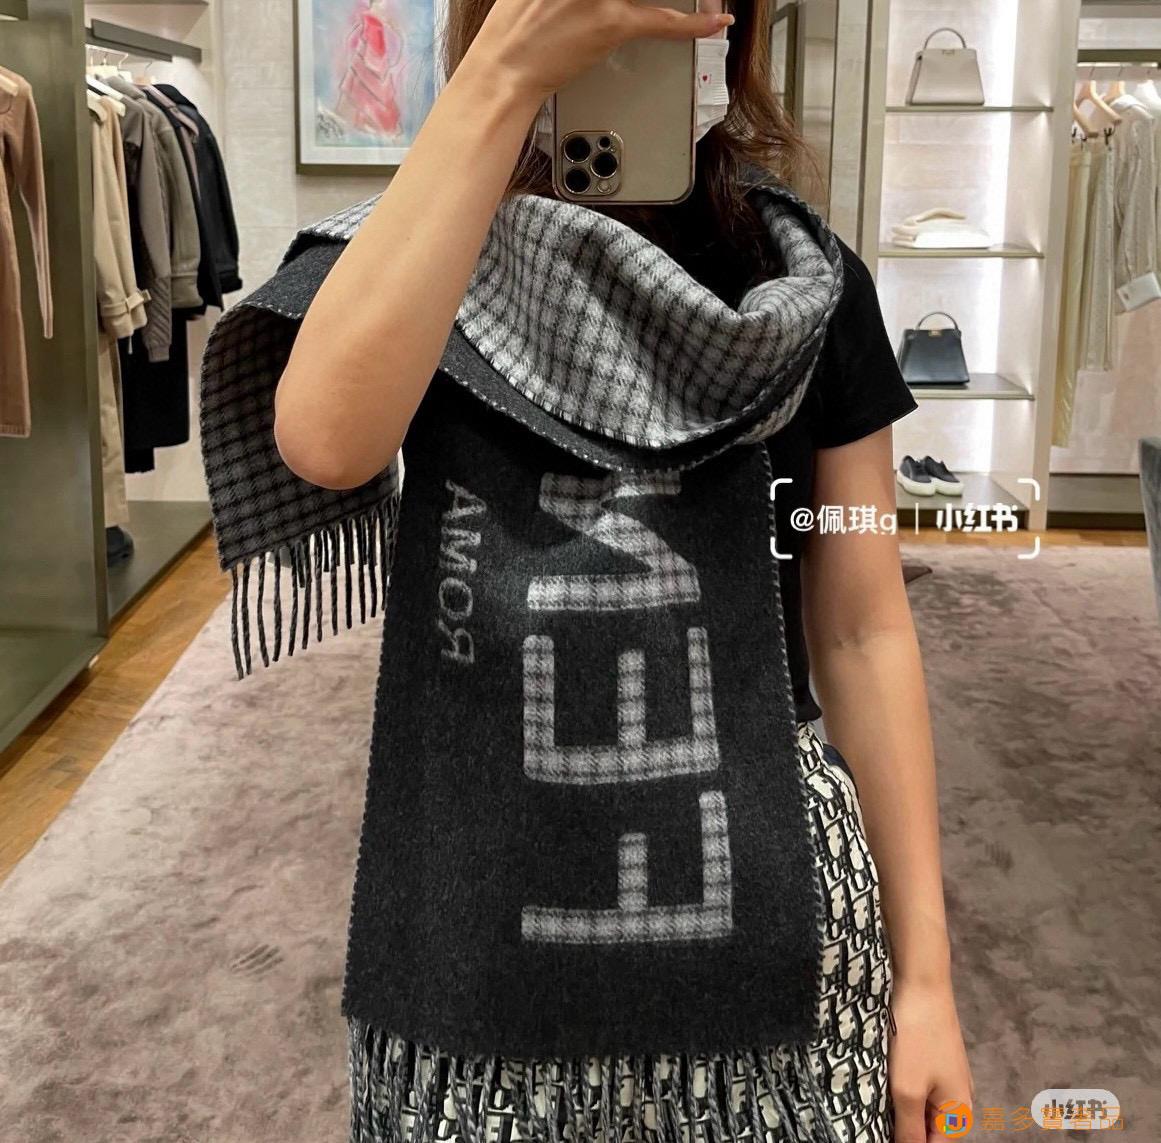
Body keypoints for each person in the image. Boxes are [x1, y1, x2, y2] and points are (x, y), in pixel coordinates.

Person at [265, 1, 974, 1139]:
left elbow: (861, 626)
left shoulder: (804, 282)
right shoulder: (433, 256)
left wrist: (927, 980)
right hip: (480, 890)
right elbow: (324, 439)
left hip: (774, 879)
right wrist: (500, 80)